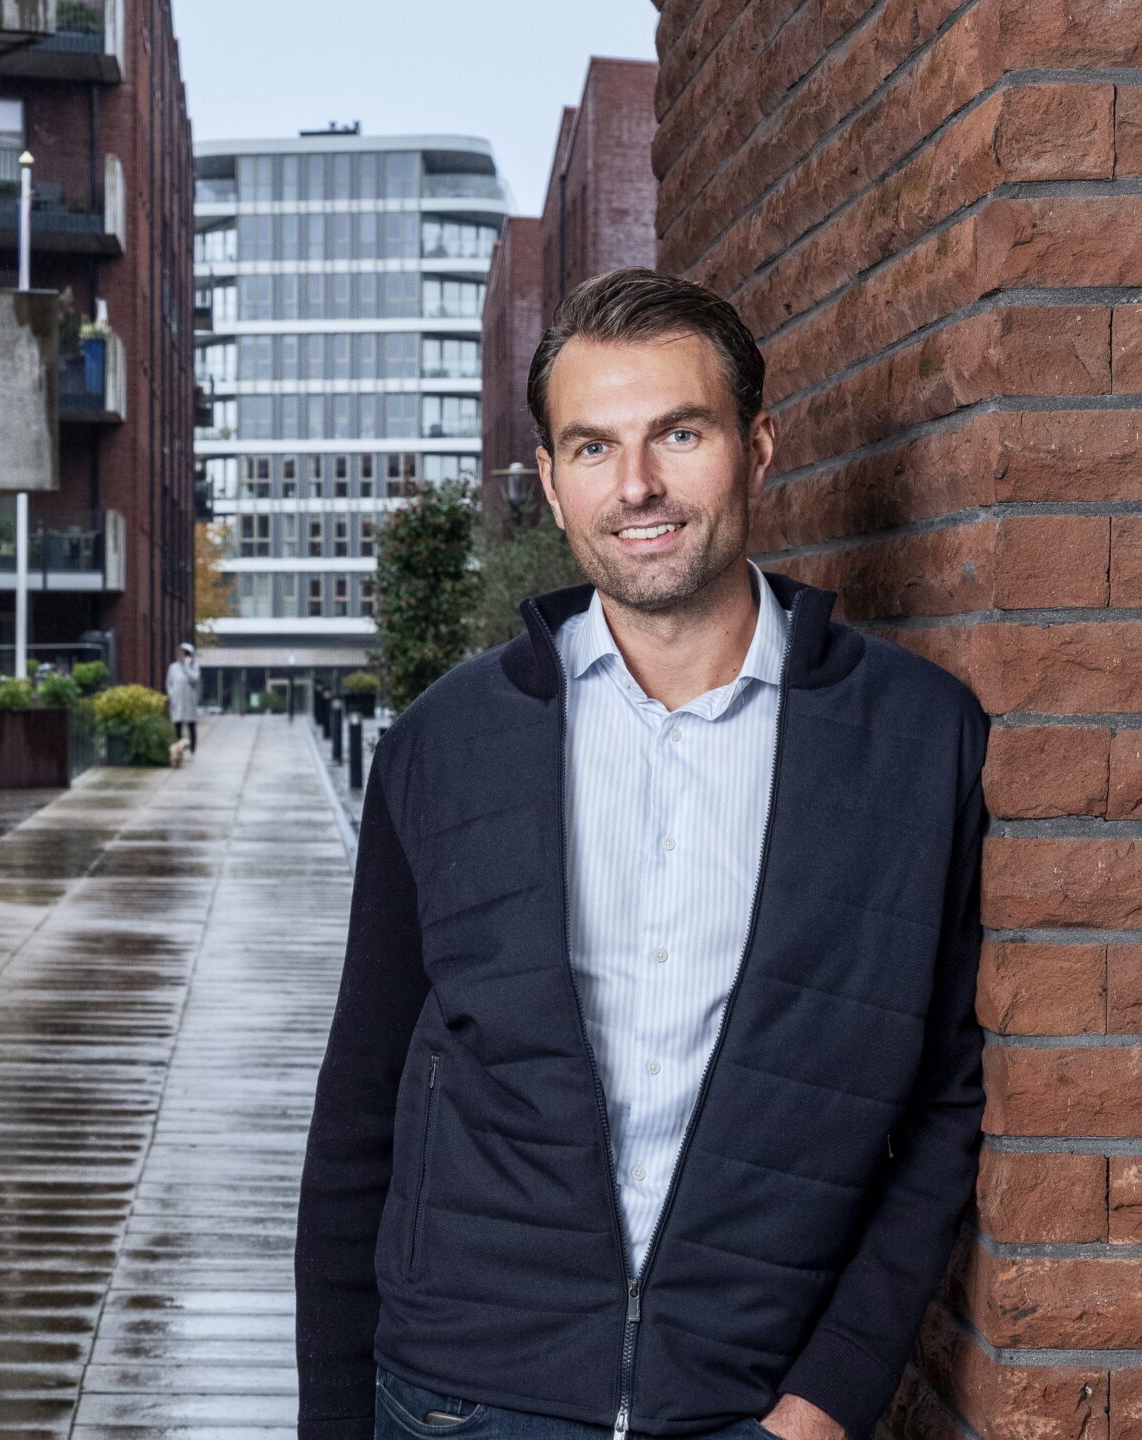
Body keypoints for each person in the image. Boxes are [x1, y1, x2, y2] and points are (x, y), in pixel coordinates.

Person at [295, 268, 986, 1440]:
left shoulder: (916, 739)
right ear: (555, 487)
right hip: (460, 1402)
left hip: (748, 1406)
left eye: (678, 432)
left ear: (757, 448)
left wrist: (829, 1399)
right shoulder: (446, 745)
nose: (638, 487)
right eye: (591, 447)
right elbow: (359, 1109)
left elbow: (944, 1097)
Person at [165, 642, 201, 754]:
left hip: (189, 701)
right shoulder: (173, 667)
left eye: (183, 654)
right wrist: (172, 694)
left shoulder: (194, 667)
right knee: (177, 727)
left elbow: (194, 679)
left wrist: (186, 666)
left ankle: (192, 750)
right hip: (177, 701)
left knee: (191, 726)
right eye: (179, 653)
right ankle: (179, 750)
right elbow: (169, 683)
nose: (181, 656)